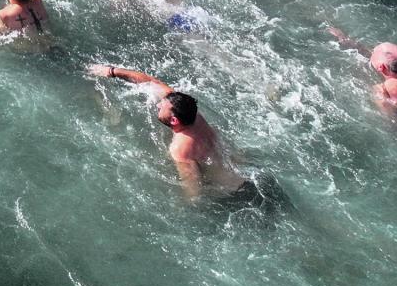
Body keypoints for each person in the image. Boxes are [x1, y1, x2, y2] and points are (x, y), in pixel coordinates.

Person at [89, 65, 275, 207]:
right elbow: (150, 82)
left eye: (162, 107)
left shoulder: (180, 148)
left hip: (238, 196)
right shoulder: (194, 115)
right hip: (254, 178)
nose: (158, 106)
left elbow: (193, 189)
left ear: (175, 121)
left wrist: (182, 207)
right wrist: (112, 71)